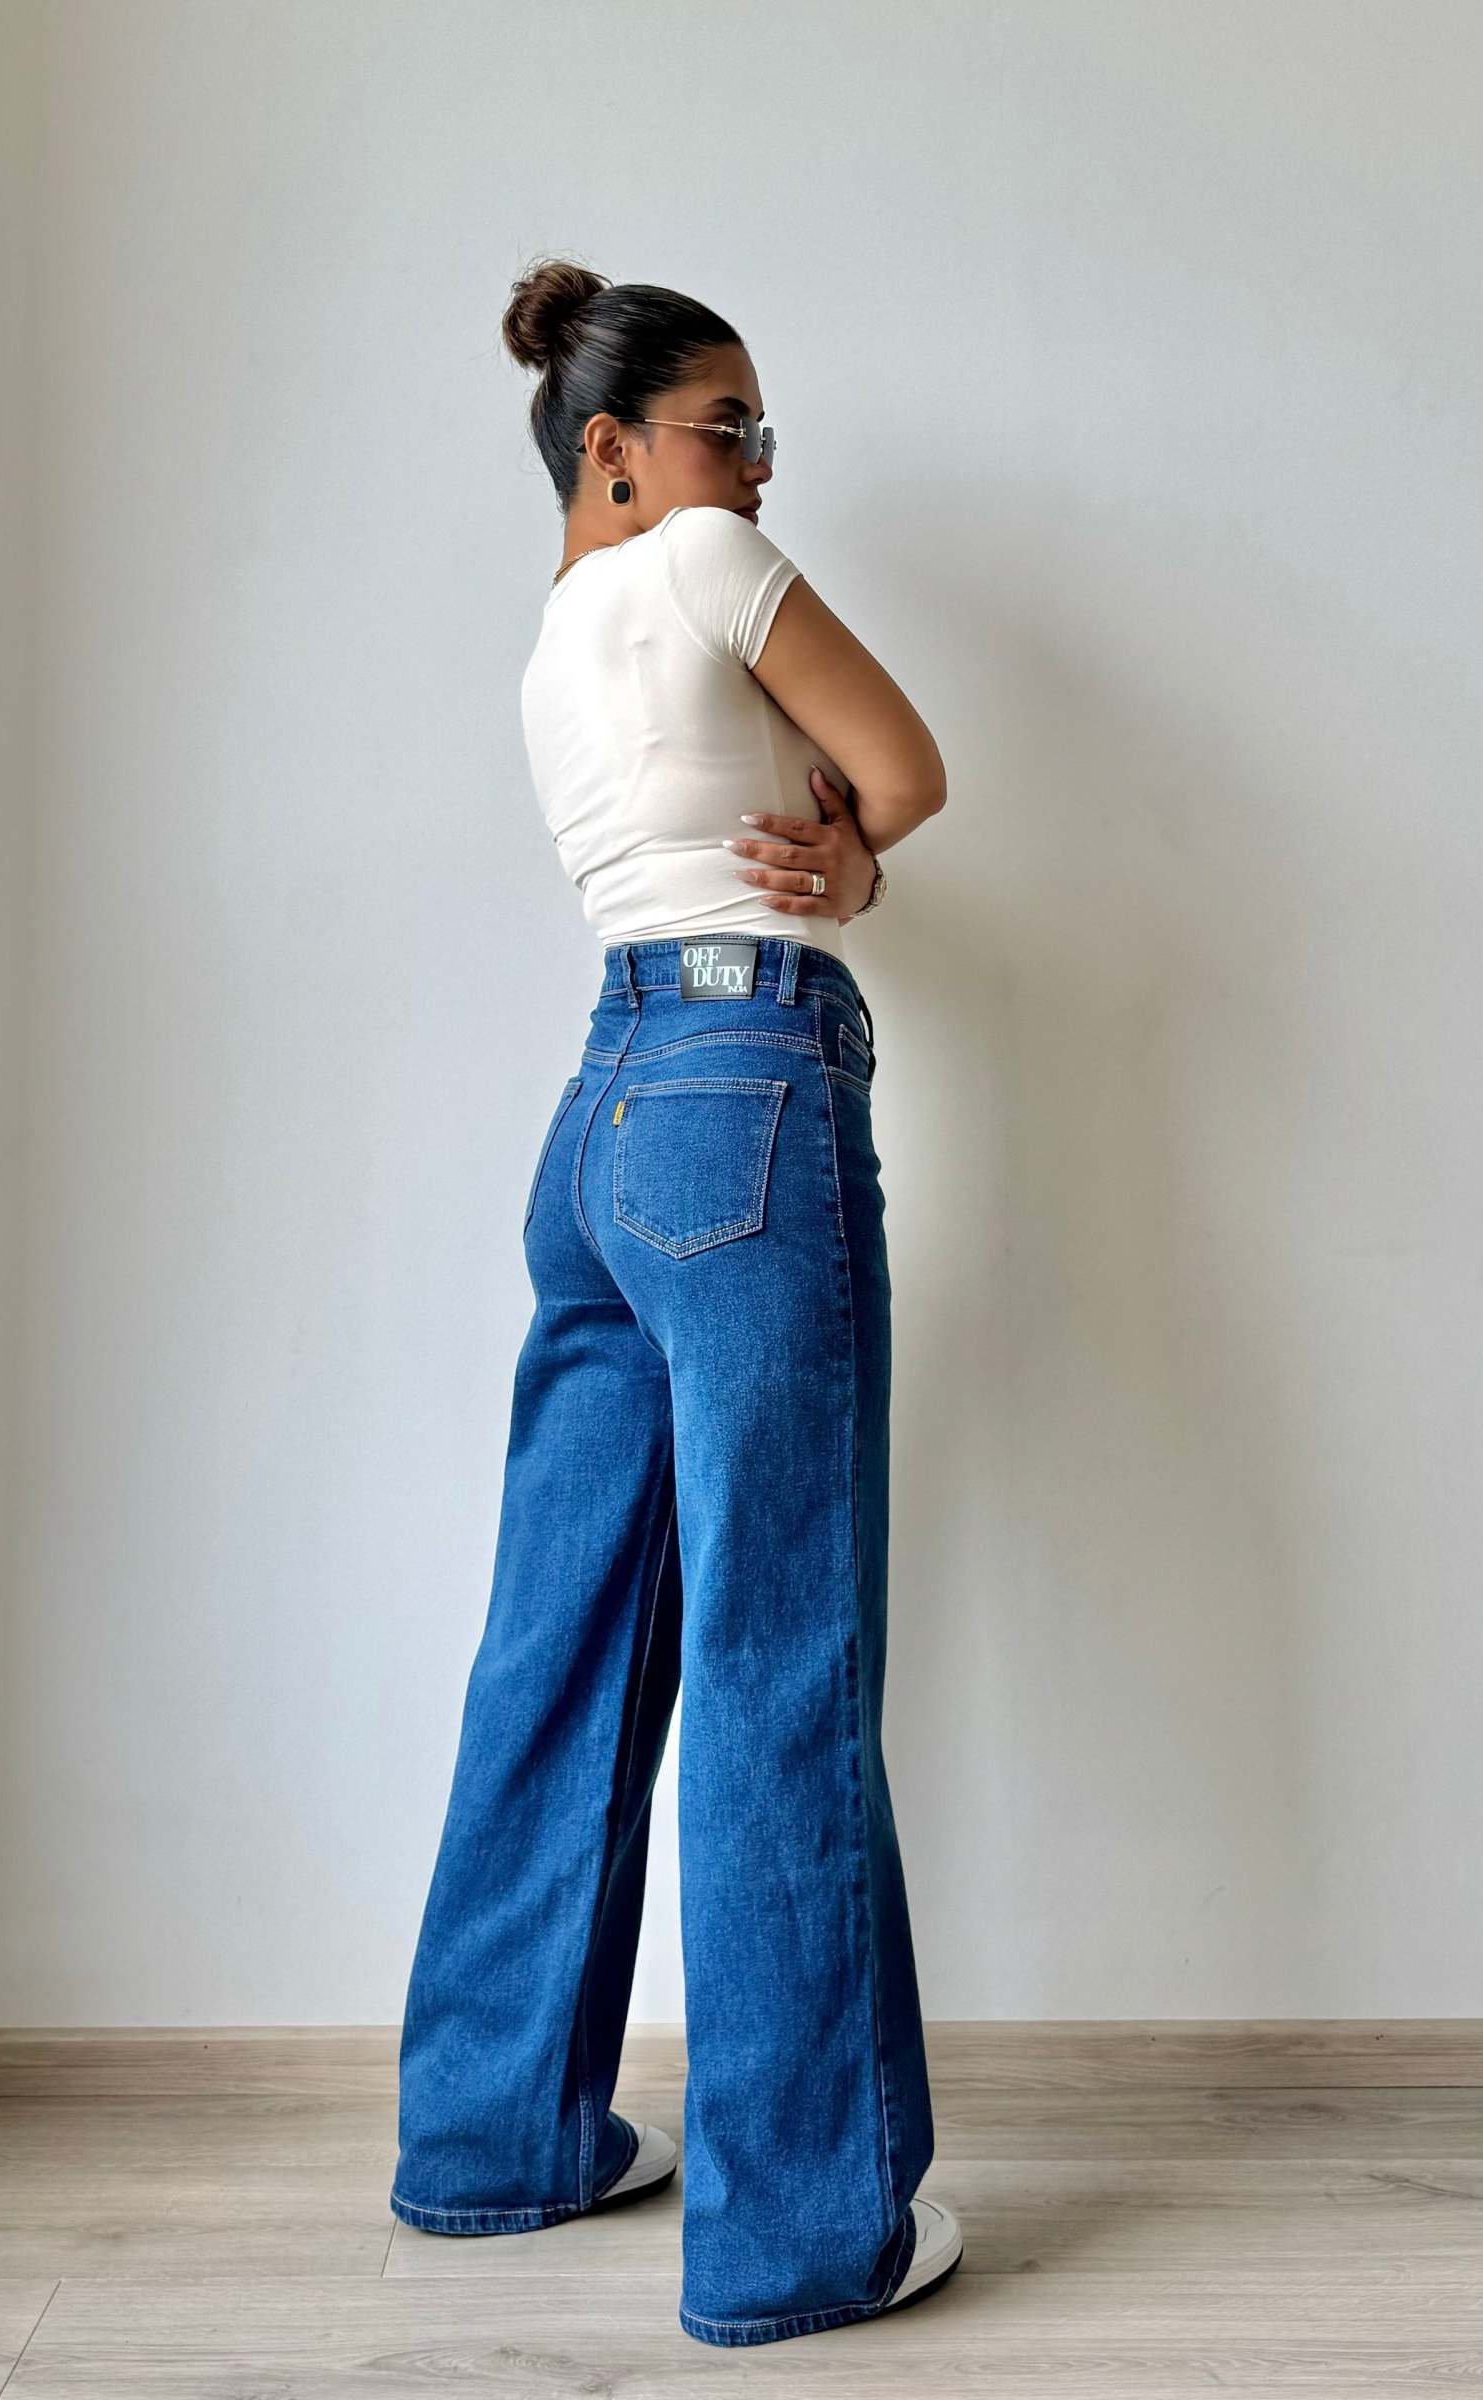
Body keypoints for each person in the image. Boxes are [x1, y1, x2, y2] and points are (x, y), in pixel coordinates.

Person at [389, 256, 963, 2350]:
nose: (760, 466)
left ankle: (494, 2136)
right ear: (613, 448)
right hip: (750, 1093)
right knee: (776, 1653)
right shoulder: (707, 560)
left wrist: (844, 862)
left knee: (558, 1641)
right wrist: (861, 863)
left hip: (603, 1117)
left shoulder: (553, 646)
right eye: (732, 430)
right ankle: (804, 2236)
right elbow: (903, 771)